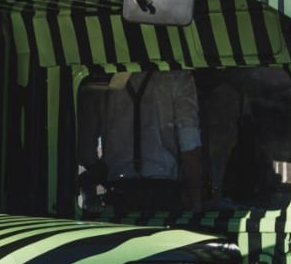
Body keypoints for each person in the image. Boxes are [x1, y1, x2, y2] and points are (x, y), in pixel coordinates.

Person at [85, 70, 203, 211]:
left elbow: (85, 149)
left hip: (118, 190)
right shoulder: (177, 74)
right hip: (165, 191)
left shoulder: (105, 74)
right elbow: (189, 143)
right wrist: (196, 202)